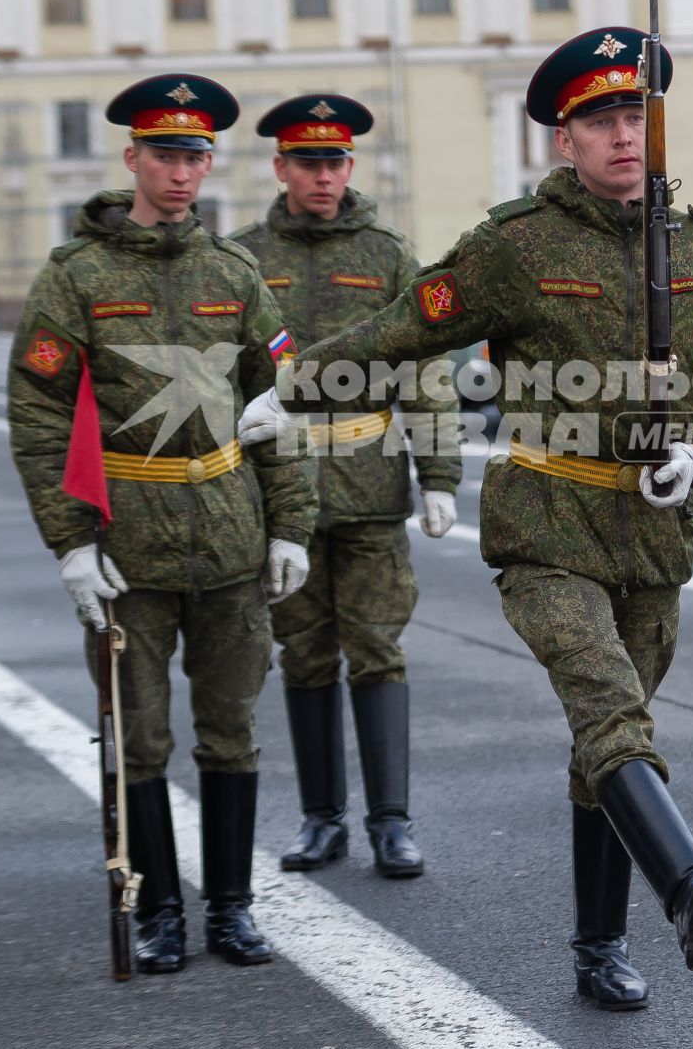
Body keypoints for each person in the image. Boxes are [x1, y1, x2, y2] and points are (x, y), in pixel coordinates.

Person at [249, 28, 693, 1010]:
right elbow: (405, 328)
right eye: (602, 121)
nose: (625, 136)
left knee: (605, 743)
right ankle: (688, 882)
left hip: (655, 538)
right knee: (607, 705)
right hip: (547, 523)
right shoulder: (516, 247)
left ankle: (598, 946)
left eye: (637, 116)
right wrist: (297, 392)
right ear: (565, 140)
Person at [6, 74, 316, 975]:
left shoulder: (235, 272)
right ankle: (157, 909)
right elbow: (39, 413)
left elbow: (282, 399)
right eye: (165, 154)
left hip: (229, 531)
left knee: (231, 728)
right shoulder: (77, 277)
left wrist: (291, 524)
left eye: (195, 155)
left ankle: (230, 906)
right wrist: (69, 542)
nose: (181, 171)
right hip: (125, 540)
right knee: (137, 736)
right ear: (131, 158)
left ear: (210, 162)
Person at [230, 94, 462, 880]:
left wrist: (438, 473)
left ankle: (390, 823)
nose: (323, 176)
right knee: (302, 652)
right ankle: (321, 819)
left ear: (350, 168)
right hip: (280, 491)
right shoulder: (243, 257)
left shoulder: (389, 255)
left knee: (377, 650)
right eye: (308, 162)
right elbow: (230, 380)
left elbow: (425, 368)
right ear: (281, 168)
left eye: (334, 162)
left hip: (368, 489)